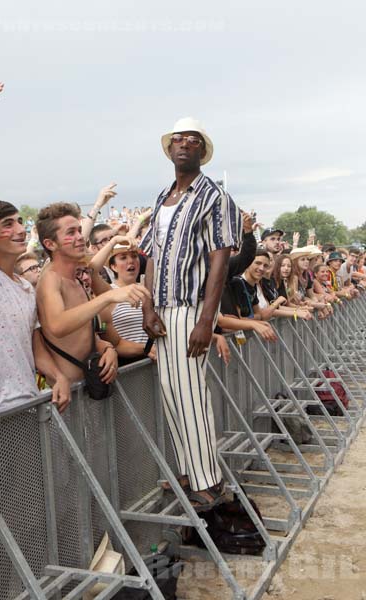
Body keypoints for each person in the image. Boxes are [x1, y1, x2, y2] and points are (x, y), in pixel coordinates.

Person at [141, 117, 242, 511]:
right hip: (163, 307)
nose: (184, 144)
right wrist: (148, 305)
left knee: (190, 393)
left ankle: (208, 481)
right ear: (169, 150)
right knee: (170, 391)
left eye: (193, 140)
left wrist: (206, 320)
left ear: (203, 150)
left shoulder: (214, 196)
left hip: (190, 306)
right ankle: (189, 469)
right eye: (178, 140)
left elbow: (220, 261)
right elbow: (149, 255)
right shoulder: (162, 197)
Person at [0, 83, 70, 414]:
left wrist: (57, 376)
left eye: (19, 222)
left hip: (28, 405)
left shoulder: (26, 288)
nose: (19, 229)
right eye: (7, 224)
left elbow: (35, 345)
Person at [35, 202, 151, 387]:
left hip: (91, 389)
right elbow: (57, 325)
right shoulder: (50, 279)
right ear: (50, 243)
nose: (80, 237)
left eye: (79, 231)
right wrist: (109, 296)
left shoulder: (77, 279)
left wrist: (108, 349)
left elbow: (85, 335)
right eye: (71, 233)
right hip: (69, 397)